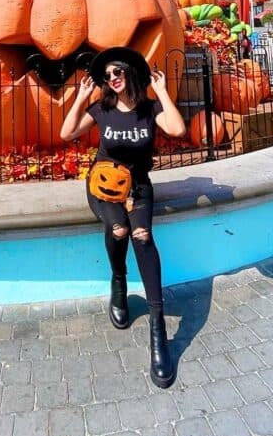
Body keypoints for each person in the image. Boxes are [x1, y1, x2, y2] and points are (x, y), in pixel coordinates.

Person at [60, 47, 186, 388]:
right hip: (103, 184)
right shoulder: (103, 108)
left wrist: (160, 92)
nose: (112, 80)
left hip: (138, 185)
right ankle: (118, 280)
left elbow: (176, 129)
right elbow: (66, 133)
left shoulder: (149, 109)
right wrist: (80, 97)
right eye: (107, 76)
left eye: (117, 73)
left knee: (142, 235)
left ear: (130, 72)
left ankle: (158, 328)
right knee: (118, 230)